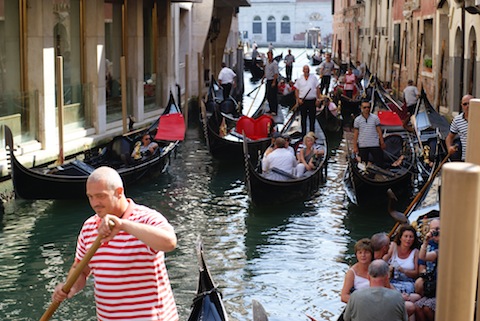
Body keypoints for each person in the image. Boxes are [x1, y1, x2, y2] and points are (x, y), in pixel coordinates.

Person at [51, 166, 178, 321]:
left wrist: (123, 225)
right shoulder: (89, 227)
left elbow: (169, 242)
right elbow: (81, 269)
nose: (95, 203)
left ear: (119, 192)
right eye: (90, 197)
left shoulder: (147, 219)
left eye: (100, 196)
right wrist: (69, 287)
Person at [343, 259, 408, 321]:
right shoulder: (398, 297)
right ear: (387, 276)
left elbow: (346, 318)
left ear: (368, 276)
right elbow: (404, 319)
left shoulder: (355, 296)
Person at [414, 218, 440, 321]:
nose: (435, 232)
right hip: (432, 284)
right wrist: (426, 242)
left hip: (445, 286)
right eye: (433, 229)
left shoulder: (448, 245)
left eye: (438, 229)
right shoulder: (430, 246)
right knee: (417, 306)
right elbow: (422, 258)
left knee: (427, 308)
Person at [385, 224, 420, 294]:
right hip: (392, 280)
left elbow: (417, 273)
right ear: (400, 238)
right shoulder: (393, 246)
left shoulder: (416, 252)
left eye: (411, 237)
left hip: (408, 283)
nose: (408, 239)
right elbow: (384, 261)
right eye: (406, 236)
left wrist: (403, 270)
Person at [352, 100, 386, 166]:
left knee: (379, 162)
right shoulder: (357, 120)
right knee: (364, 163)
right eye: (365, 107)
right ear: (361, 108)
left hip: (374, 144)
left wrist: (382, 142)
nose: (367, 109)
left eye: (368, 107)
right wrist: (355, 146)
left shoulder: (375, 118)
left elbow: (379, 131)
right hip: (363, 145)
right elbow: (356, 134)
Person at [340, 238, 374, 303]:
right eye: (360, 253)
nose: (363, 255)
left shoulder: (377, 268)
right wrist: (360, 303)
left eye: (366, 252)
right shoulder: (351, 273)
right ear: (356, 255)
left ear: (371, 254)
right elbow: (344, 296)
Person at [294, 65, 321, 136]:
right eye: (305, 69)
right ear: (303, 71)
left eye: (307, 69)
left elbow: (317, 89)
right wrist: (298, 99)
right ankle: (303, 134)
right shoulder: (300, 79)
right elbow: (297, 90)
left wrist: (318, 99)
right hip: (303, 101)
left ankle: (312, 134)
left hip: (312, 100)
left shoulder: (314, 78)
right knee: (303, 118)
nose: (306, 71)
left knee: (312, 118)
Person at [446, 94, 473, 161]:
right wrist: (449, 148)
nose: (468, 106)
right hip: (466, 158)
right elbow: (449, 137)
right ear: (462, 106)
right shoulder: (457, 120)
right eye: (465, 104)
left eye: (470, 103)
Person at [262, 50, 279, 116]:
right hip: (268, 80)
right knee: (268, 96)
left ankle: (274, 110)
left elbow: (276, 74)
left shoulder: (274, 63)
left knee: (273, 96)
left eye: (270, 55)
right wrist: (263, 78)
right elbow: (266, 71)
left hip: (273, 81)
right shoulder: (267, 62)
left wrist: (274, 82)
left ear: (272, 55)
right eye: (268, 55)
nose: (269, 57)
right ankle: (271, 109)